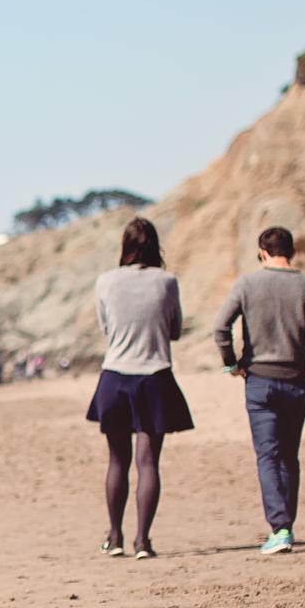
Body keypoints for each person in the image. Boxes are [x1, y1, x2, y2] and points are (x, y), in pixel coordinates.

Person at [212, 226, 305, 556]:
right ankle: (286, 524)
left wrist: (232, 363)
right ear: (293, 252)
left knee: (268, 455)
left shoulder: (247, 284)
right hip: (295, 381)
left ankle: (280, 528)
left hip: (259, 380)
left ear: (262, 252)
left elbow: (220, 328)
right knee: (289, 456)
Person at [87, 217, 190, 561]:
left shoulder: (105, 282)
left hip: (115, 376)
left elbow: (106, 327)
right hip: (154, 375)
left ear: (125, 246)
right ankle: (142, 541)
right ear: (154, 246)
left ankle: (114, 536)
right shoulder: (167, 282)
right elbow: (175, 330)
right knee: (149, 463)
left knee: (117, 460)